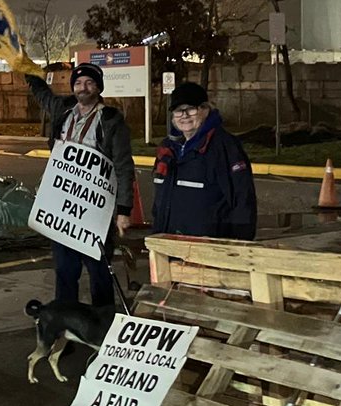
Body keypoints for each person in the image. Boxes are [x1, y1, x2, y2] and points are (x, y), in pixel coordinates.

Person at [26, 63, 135, 306]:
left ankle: (103, 319)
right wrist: (27, 70)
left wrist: (124, 210)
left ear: (98, 87)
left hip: (95, 208)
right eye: (77, 83)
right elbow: (42, 94)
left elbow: (123, 166)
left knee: (99, 270)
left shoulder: (111, 120)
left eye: (89, 82)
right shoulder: (64, 110)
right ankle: (66, 320)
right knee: (64, 270)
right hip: (62, 206)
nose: (82, 87)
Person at [151, 81, 257, 240]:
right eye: (178, 111)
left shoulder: (225, 147)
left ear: (205, 109)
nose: (184, 116)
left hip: (209, 247)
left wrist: (240, 243)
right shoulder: (167, 148)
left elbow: (242, 198)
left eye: (191, 109)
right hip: (168, 243)